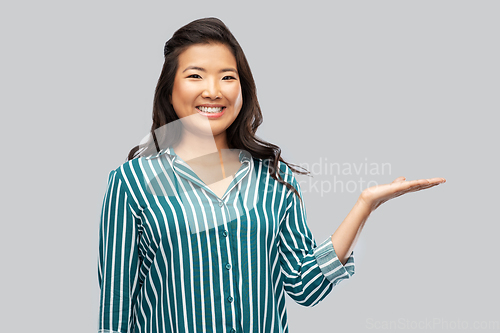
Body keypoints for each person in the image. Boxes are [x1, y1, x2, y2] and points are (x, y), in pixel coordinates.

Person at [97, 17, 446, 333]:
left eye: (227, 77)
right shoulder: (133, 182)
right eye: (195, 75)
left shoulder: (275, 181)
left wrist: (365, 205)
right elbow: (115, 308)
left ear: (242, 90)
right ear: (170, 91)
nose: (213, 90)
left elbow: (306, 286)